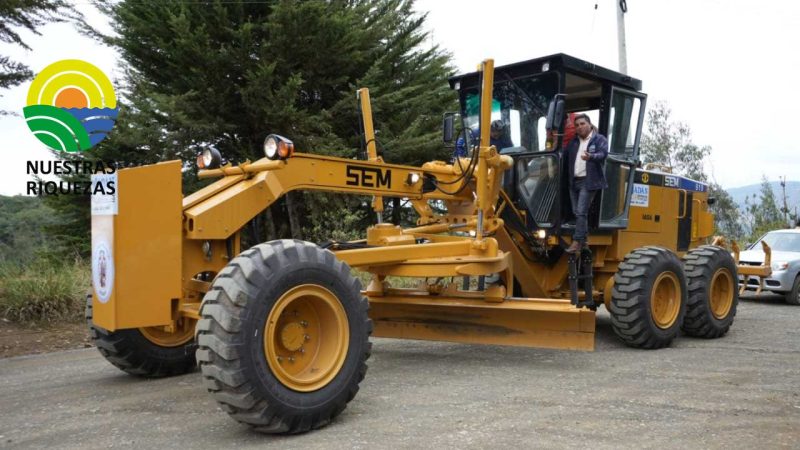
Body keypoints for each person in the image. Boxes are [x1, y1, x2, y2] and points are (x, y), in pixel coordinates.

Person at [564, 113, 608, 253]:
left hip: (589, 181)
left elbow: (603, 154)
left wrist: (591, 157)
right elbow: (564, 156)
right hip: (574, 181)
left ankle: (577, 242)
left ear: (589, 124)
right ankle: (585, 241)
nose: (580, 127)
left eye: (582, 124)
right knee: (577, 212)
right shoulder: (573, 142)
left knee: (581, 211)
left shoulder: (599, 139)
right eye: (577, 125)